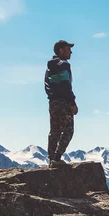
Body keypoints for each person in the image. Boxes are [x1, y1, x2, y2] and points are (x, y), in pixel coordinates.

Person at [45, 40, 78, 168]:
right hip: (64, 102)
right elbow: (65, 84)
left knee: (55, 131)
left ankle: (52, 158)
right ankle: (57, 159)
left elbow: (48, 85)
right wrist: (72, 102)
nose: (71, 51)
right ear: (61, 50)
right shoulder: (64, 65)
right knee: (68, 130)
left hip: (53, 102)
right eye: (68, 49)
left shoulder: (49, 67)